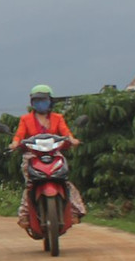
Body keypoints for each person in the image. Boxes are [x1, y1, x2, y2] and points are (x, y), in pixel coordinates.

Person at [9, 84, 85, 234]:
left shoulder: (58, 118)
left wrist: (73, 140)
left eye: (43, 100)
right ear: (32, 103)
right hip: (33, 155)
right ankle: (24, 215)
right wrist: (15, 143)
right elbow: (19, 135)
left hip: (54, 154)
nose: (40, 103)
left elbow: (66, 132)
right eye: (36, 100)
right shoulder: (25, 119)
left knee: (65, 180)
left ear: (50, 101)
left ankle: (74, 211)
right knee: (30, 184)